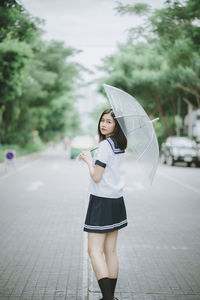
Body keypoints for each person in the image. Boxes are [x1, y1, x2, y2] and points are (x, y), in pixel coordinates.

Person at [79, 108, 128, 300]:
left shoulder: (106, 146)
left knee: (94, 251)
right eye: (102, 120)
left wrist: (88, 161)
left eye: (109, 121)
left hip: (102, 202)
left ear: (117, 125)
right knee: (111, 251)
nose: (104, 124)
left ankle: (107, 298)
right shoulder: (119, 144)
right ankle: (111, 297)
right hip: (116, 201)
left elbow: (96, 177)